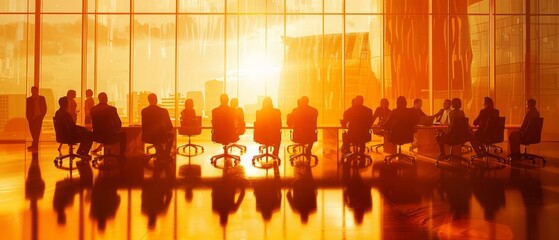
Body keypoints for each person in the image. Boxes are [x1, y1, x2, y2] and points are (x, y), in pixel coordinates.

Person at [90, 92, 127, 157]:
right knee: (123, 135)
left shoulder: (93, 109)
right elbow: (118, 124)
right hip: (110, 137)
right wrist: (114, 130)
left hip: (97, 137)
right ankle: (122, 155)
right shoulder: (112, 109)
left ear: (99, 99)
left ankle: (101, 147)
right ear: (106, 99)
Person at [141, 93, 174, 163]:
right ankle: (166, 155)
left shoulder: (144, 111)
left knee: (157, 139)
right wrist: (165, 130)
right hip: (161, 136)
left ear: (148, 100)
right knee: (171, 135)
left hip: (148, 136)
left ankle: (162, 154)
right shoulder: (163, 111)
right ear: (156, 100)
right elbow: (170, 126)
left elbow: (143, 127)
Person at [26, 86, 47, 150]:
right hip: (31, 118)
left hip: (39, 117)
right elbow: (27, 109)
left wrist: (42, 116)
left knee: (37, 132)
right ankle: (35, 144)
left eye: (34, 90)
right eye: (32, 90)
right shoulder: (28, 99)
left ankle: (34, 145)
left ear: (37, 91)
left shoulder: (42, 98)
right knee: (32, 131)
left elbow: (45, 108)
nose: (32, 91)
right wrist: (29, 118)